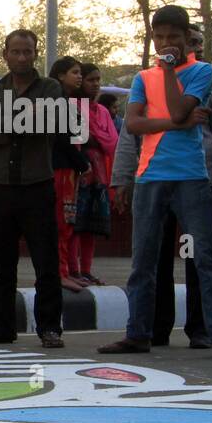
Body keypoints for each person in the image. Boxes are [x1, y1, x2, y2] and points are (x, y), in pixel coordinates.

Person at [100, 5, 212, 360]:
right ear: (152, 37)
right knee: (143, 260)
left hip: (192, 177)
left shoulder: (202, 72)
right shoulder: (141, 78)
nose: (166, 43)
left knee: (206, 258)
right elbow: (132, 126)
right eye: (159, 37)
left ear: (186, 38)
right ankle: (139, 334)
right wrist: (178, 124)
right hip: (150, 177)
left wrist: (167, 75)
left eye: (173, 37)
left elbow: (181, 110)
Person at [0, 31, 72, 346]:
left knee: (45, 262)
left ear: (35, 53)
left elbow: (50, 124)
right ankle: (2, 326)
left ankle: (49, 328)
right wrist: (21, 122)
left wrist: (9, 124)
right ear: (6, 54)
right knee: (2, 263)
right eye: (16, 52)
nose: (22, 57)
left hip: (36, 185)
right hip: (0, 185)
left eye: (27, 52)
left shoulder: (51, 87)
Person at [71, 62, 120, 285]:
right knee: (74, 225)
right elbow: (77, 137)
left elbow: (112, 142)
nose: (95, 84)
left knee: (90, 226)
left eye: (98, 79)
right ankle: (73, 269)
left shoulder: (101, 111)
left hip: (99, 175)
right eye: (91, 79)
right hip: (77, 172)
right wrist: (92, 139)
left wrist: (93, 138)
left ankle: (87, 269)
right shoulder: (72, 106)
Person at [49, 57, 94, 294]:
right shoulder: (57, 103)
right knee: (61, 222)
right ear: (60, 76)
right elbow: (64, 139)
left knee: (66, 222)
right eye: (75, 72)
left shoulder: (68, 102)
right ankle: (59, 272)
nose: (79, 76)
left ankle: (64, 271)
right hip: (60, 170)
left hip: (68, 169)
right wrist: (82, 163)